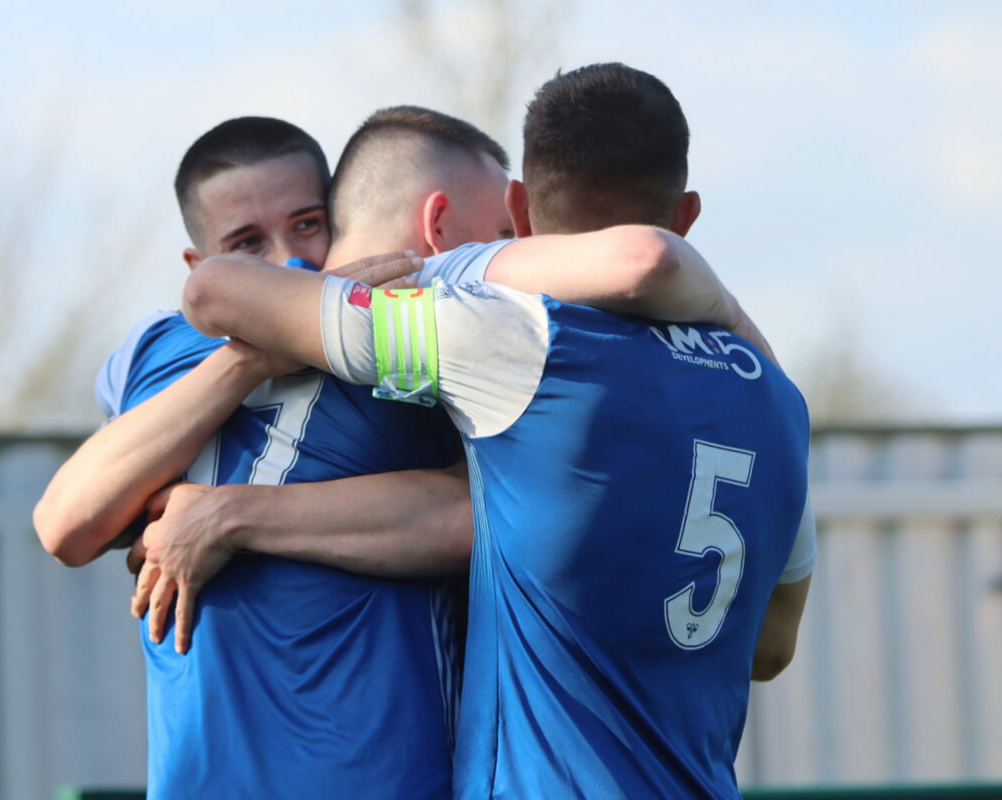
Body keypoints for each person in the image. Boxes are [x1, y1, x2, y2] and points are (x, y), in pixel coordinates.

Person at [179, 63, 815, 798]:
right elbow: (772, 645)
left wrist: (459, 262)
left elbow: (217, 291)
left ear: (520, 204)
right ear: (688, 213)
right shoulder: (777, 400)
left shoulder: (516, 345)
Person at [35, 111, 513, 799]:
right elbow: (64, 524)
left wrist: (232, 515)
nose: (288, 260)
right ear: (203, 267)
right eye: (248, 242)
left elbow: (482, 513)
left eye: (307, 225)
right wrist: (252, 358)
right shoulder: (157, 356)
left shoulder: (397, 338)